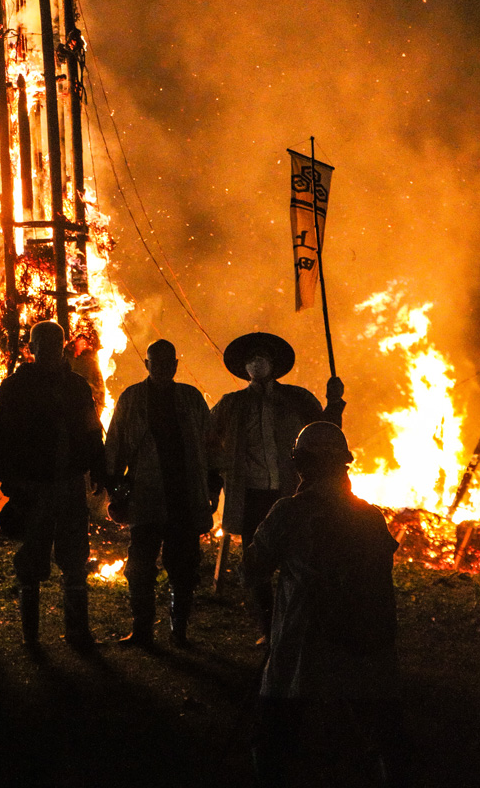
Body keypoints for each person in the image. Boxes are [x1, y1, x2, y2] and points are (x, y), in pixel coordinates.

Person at [243, 422, 404, 788]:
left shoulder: (289, 513)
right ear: (342, 465)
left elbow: (252, 570)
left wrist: (268, 623)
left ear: (303, 464)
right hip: (366, 645)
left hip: (302, 644)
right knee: (379, 734)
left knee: (273, 733)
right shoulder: (370, 517)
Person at [208, 331, 345, 638]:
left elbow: (326, 433)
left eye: (263, 357)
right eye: (251, 358)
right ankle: (269, 630)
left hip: (293, 494)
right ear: (244, 367)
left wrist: (334, 402)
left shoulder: (297, 399)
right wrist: (214, 479)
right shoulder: (231, 404)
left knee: (298, 561)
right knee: (256, 564)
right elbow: (208, 441)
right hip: (250, 495)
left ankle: (297, 624)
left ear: (273, 364)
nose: (257, 362)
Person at [0, 320, 105, 651]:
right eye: (42, 345)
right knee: (31, 559)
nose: (49, 351)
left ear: (63, 347)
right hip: (33, 486)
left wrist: (98, 468)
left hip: (69, 483)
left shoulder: (77, 387)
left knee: (75, 558)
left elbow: (91, 429)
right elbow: (3, 437)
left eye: (55, 345)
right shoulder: (15, 388)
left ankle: (77, 632)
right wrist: (9, 479)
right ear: (32, 348)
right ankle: (31, 637)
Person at [104, 339, 212, 647]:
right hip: (146, 495)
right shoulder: (132, 398)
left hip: (184, 495)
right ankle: (142, 630)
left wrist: (212, 485)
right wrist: (114, 485)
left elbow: (210, 444)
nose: (163, 368)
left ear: (176, 365)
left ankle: (179, 631)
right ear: (147, 364)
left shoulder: (191, 398)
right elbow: (116, 443)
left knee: (183, 567)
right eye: (156, 363)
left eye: (168, 363)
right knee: (140, 567)